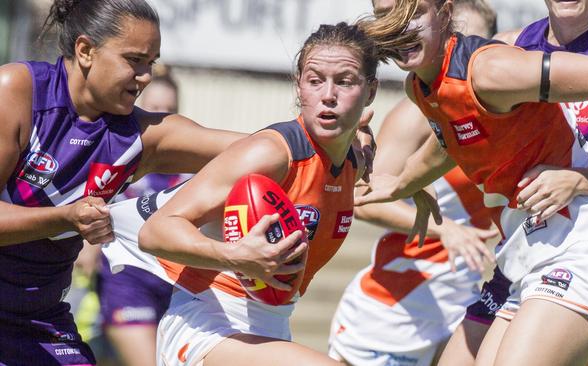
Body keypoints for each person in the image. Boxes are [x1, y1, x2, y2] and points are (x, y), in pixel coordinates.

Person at [0, 0, 297, 364]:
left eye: (150, 63)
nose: (145, 76)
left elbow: (266, 149)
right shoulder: (19, 90)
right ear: (86, 50)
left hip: (39, 317)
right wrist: (66, 217)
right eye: (134, 60)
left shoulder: (143, 137)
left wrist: (334, 142)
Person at [355, 0, 588, 364]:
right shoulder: (423, 87)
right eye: (387, 16)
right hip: (527, 254)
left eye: (413, 13)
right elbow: (449, 138)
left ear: (445, 13)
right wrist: (402, 183)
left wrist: (580, 180)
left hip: (586, 247)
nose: (399, 26)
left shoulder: (492, 67)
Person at [104, 21, 381, 366]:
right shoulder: (271, 153)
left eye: (344, 81)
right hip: (206, 325)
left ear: (370, 91)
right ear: (299, 86)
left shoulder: (353, 159)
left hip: (269, 328)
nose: (328, 94)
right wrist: (235, 255)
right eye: (315, 80)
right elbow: (156, 230)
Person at [328, 2, 498, 365]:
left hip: (459, 299)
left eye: (472, 41)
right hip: (393, 310)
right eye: (456, 39)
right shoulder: (416, 113)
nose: (461, 52)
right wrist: (446, 229)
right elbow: (362, 198)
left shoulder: (494, 106)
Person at [96, 65, 187, 366]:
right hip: (127, 283)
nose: (161, 116)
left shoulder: (192, 172)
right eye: (154, 108)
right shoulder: (117, 160)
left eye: (169, 110)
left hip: (176, 287)